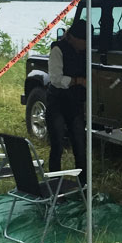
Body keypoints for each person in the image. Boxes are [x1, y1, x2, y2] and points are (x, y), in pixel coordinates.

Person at [46, 20, 87, 185]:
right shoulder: (58, 50)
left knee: (80, 144)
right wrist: (78, 81)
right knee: (57, 145)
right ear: (74, 38)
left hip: (75, 103)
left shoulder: (84, 53)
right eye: (83, 42)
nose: (85, 46)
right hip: (57, 103)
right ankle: (55, 186)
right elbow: (56, 80)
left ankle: (83, 185)